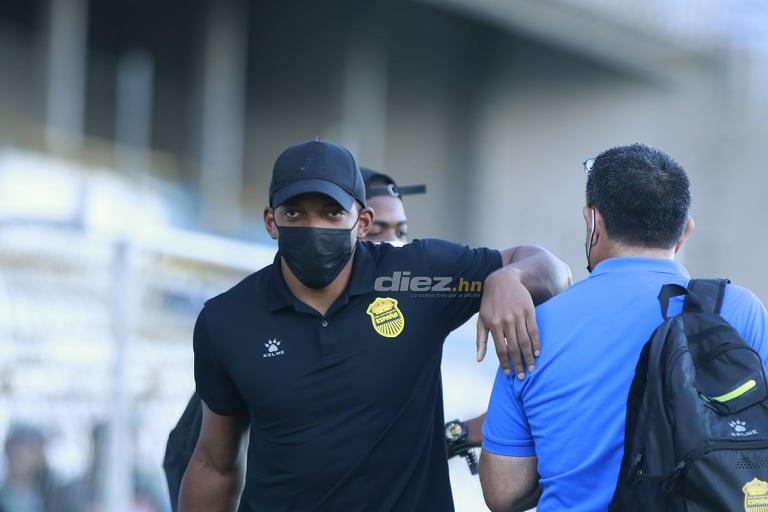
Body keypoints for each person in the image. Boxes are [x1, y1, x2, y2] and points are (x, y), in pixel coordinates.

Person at [178, 139, 571, 511]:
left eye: (332, 213)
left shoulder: (418, 277)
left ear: (363, 221)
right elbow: (214, 463)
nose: (314, 227)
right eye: (294, 213)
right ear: (270, 220)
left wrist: (510, 277)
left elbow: (553, 271)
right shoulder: (228, 319)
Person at [479, 143, 768, 512]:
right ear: (685, 230)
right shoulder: (737, 310)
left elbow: (504, 492)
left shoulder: (536, 323)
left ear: (593, 222)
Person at [163, 167, 428, 511]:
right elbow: (201, 460)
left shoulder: (407, 312)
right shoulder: (247, 332)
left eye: (401, 232)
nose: (393, 246)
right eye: (378, 232)